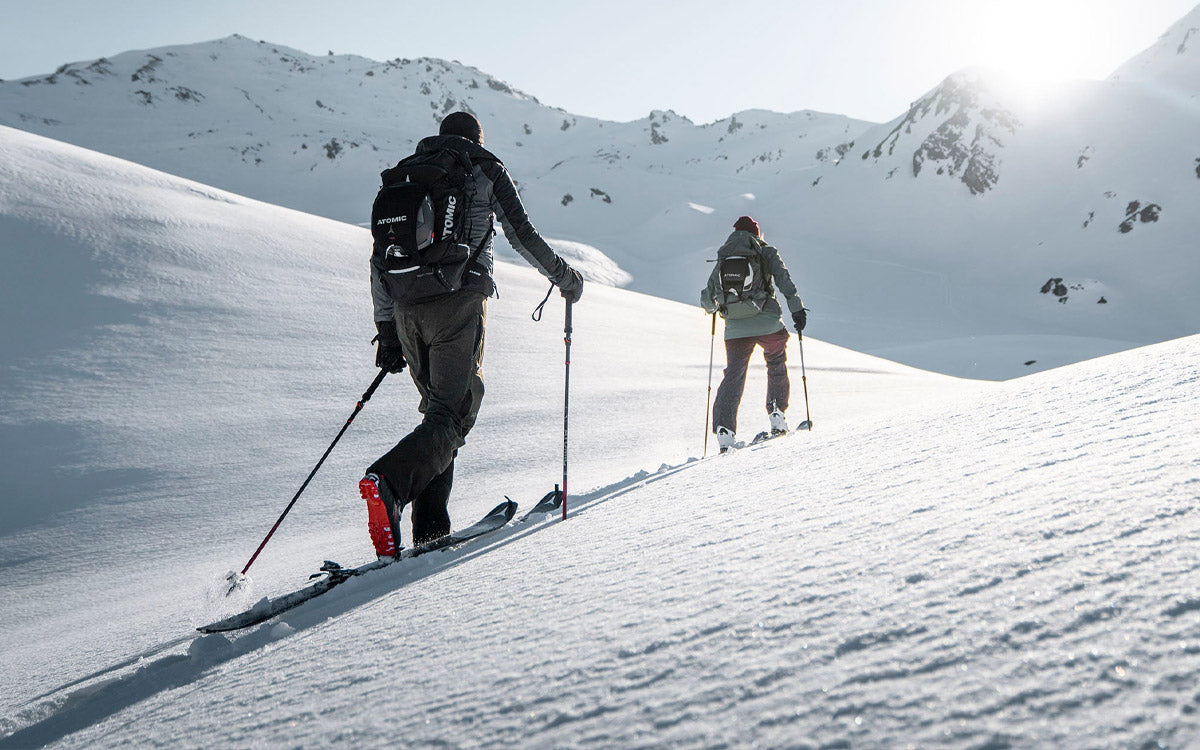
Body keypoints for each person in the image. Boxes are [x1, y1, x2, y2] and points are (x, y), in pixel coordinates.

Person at [361, 111, 583, 556]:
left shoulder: (406, 173)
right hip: (458, 304)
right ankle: (388, 482)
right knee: (452, 416)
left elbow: (378, 258)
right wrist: (565, 278)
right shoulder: (484, 168)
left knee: (440, 418)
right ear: (476, 138)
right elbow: (523, 235)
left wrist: (387, 330)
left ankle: (429, 532)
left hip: (405, 310)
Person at [700, 216, 806, 452]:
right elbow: (784, 280)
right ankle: (777, 414)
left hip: (735, 329)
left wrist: (716, 308)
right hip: (768, 322)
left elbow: (707, 299)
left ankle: (725, 431)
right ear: (757, 233)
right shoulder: (765, 251)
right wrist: (797, 309)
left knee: (734, 375)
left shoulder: (724, 255)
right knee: (776, 361)